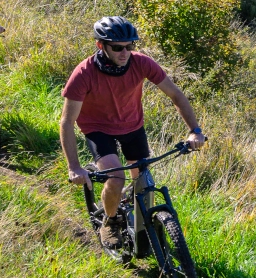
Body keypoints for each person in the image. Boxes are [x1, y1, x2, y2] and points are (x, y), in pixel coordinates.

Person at [61, 16, 207, 250]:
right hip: (97, 129)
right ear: (101, 45)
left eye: (130, 46)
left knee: (143, 181)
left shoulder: (142, 63)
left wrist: (195, 131)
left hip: (132, 125)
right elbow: (67, 122)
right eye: (118, 48)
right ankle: (110, 221)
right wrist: (74, 167)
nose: (125, 53)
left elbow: (176, 95)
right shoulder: (84, 73)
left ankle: (140, 225)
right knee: (116, 178)